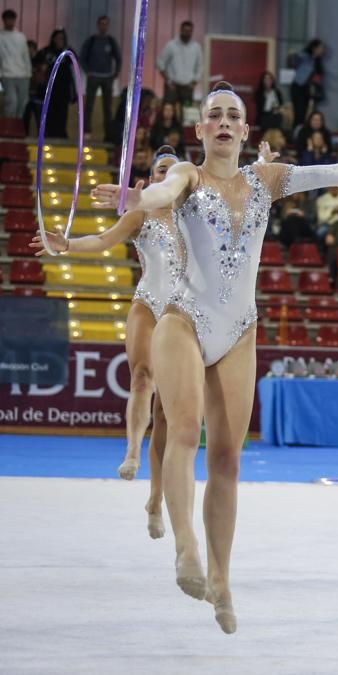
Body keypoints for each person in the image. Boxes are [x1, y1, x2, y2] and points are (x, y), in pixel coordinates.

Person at [89, 82, 338, 634]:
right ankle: (186, 548)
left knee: (227, 461)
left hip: (239, 331)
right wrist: (140, 199)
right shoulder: (186, 175)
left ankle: (222, 579)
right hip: (183, 319)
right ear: (201, 129)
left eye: (233, 115)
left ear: (245, 130)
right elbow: (162, 192)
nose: (224, 121)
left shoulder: (265, 180)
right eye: (214, 115)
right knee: (183, 432)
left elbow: (337, 172)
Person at [33, 147, 180, 539]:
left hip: (181, 313)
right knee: (142, 377)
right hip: (149, 303)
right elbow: (103, 240)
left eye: (173, 169)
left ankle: (156, 500)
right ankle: (132, 451)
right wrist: (67, 245)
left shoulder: (195, 215)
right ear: (151, 178)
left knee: (166, 413)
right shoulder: (141, 213)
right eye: (161, 169)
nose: (167, 174)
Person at [79, 15, 120, 140]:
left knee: (107, 108)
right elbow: (82, 57)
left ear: (108, 26)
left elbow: (118, 58)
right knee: (89, 105)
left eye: (106, 24)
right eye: (102, 24)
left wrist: (116, 73)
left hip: (107, 78)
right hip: (93, 77)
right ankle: (86, 132)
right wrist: (87, 71)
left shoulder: (111, 41)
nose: (103, 26)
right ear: (98, 25)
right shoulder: (91, 40)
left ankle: (108, 134)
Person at [34, 29, 74, 139]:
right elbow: (37, 63)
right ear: (53, 39)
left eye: (62, 38)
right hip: (49, 88)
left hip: (63, 89)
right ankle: (48, 134)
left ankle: (60, 134)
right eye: (57, 38)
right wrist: (41, 68)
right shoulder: (46, 52)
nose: (59, 40)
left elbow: (74, 66)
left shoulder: (67, 52)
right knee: (49, 112)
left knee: (62, 113)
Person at [156, 21, 202, 106]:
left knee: (187, 111)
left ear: (192, 32)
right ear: (181, 30)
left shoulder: (196, 47)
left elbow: (200, 66)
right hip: (172, 86)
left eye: (189, 31)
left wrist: (194, 82)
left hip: (188, 87)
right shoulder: (171, 45)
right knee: (168, 110)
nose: (187, 33)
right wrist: (168, 80)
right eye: (185, 30)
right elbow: (160, 62)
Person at [0, 10, 31, 119]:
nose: (10, 22)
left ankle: (17, 125)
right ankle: (8, 126)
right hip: (7, 74)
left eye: (12, 19)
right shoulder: (1, 36)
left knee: (22, 102)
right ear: (4, 20)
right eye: (7, 19)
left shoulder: (21, 36)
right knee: (12, 102)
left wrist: (28, 73)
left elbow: (25, 56)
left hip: (23, 75)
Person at [290, 39, 325, 123]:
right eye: (320, 48)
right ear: (314, 48)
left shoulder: (317, 61)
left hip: (307, 89)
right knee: (298, 112)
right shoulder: (305, 56)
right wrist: (293, 53)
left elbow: (318, 76)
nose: (322, 50)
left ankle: (301, 127)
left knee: (304, 112)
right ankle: (297, 129)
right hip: (298, 86)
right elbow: (295, 60)